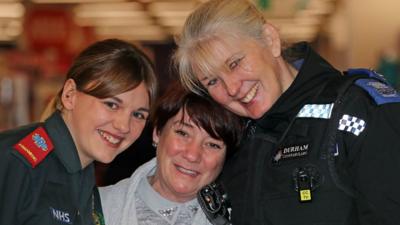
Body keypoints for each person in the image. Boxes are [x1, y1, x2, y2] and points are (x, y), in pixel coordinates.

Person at [173, 0, 400, 224]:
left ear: (270, 40)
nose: (231, 88)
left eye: (235, 63)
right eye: (213, 81)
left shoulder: (356, 112)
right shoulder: (230, 136)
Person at [0, 38, 157, 225]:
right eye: (111, 104)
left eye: (138, 114)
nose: (124, 126)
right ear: (70, 95)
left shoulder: (83, 177)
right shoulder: (16, 161)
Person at [98, 82, 244, 225]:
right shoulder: (96, 207)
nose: (192, 155)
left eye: (212, 144)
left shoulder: (242, 217)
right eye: (183, 133)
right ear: (157, 132)